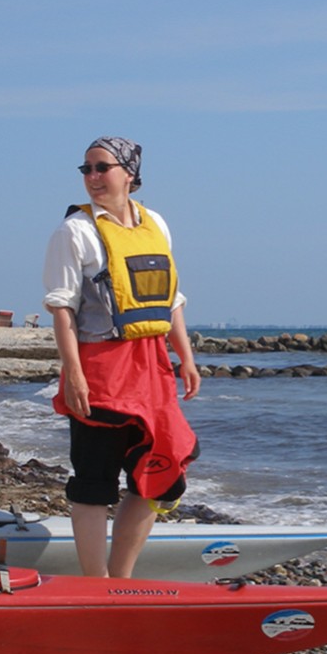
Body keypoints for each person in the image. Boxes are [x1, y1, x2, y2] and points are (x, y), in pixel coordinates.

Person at [42, 136, 201, 578]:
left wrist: (184, 357)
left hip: (151, 369)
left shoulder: (156, 224)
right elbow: (62, 308)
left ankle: (121, 576)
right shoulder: (74, 231)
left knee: (163, 477)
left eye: (102, 168)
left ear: (129, 173)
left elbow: (172, 300)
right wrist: (73, 375)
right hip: (101, 370)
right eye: (86, 170)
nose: (92, 178)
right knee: (94, 482)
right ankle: (97, 584)